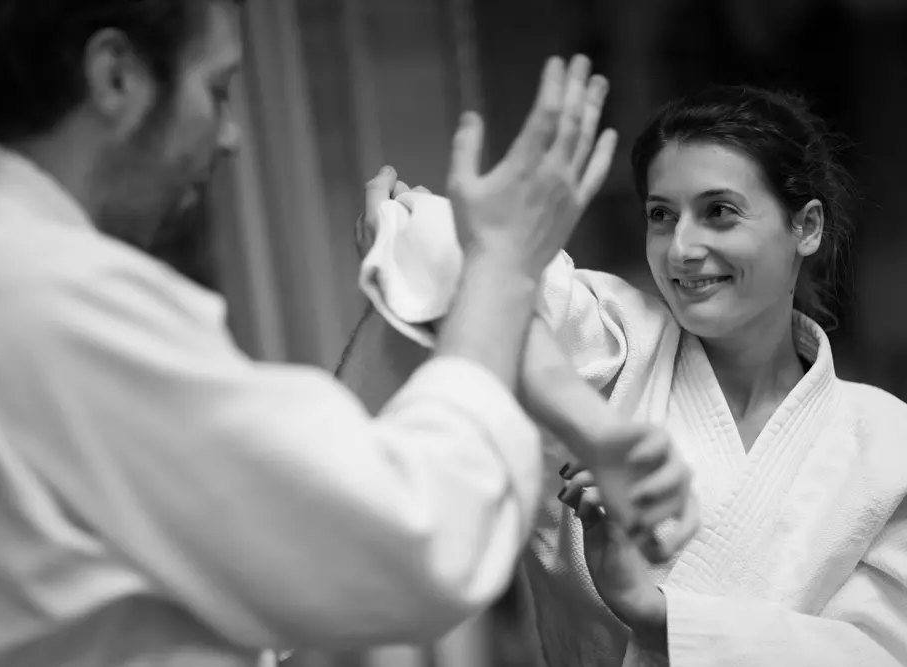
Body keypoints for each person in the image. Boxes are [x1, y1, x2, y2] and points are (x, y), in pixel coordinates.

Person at [0, 2, 697, 666]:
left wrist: (474, 278)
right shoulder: (56, 302)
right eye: (216, 91)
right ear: (116, 76)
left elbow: (290, 506)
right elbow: (408, 537)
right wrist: (496, 271)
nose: (230, 138)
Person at [342, 78, 907, 665]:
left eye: (718, 212)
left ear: (806, 227)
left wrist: (656, 615)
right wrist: (396, 228)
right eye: (662, 215)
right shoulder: (611, 341)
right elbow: (455, 242)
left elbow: (877, 653)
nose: (681, 247)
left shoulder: (888, 443)